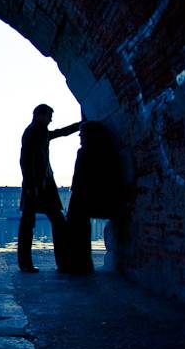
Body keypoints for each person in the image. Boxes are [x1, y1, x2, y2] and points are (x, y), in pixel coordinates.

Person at [17, 104, 81, 272]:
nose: (51, 119)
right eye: (49, 116)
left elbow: (60, 132)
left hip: (39, 184)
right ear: (40, 115)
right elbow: (25, 160)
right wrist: (32, 184)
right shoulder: (34, 132)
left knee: (29, 224)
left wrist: (79, 125)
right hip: (39, 185)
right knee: (56, 221)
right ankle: (62, 262)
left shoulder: (37, 131)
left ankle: (27, 263)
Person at [64, 121, 121, 273]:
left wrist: (74, 192)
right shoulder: (107, 151)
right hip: (99, 196)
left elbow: (79, 177)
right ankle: (84, 265)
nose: (80, 136)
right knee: (82, 228)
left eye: (82, 134)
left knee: (76, 228)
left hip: (81, 196)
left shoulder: (83, 152)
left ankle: (77, 264)